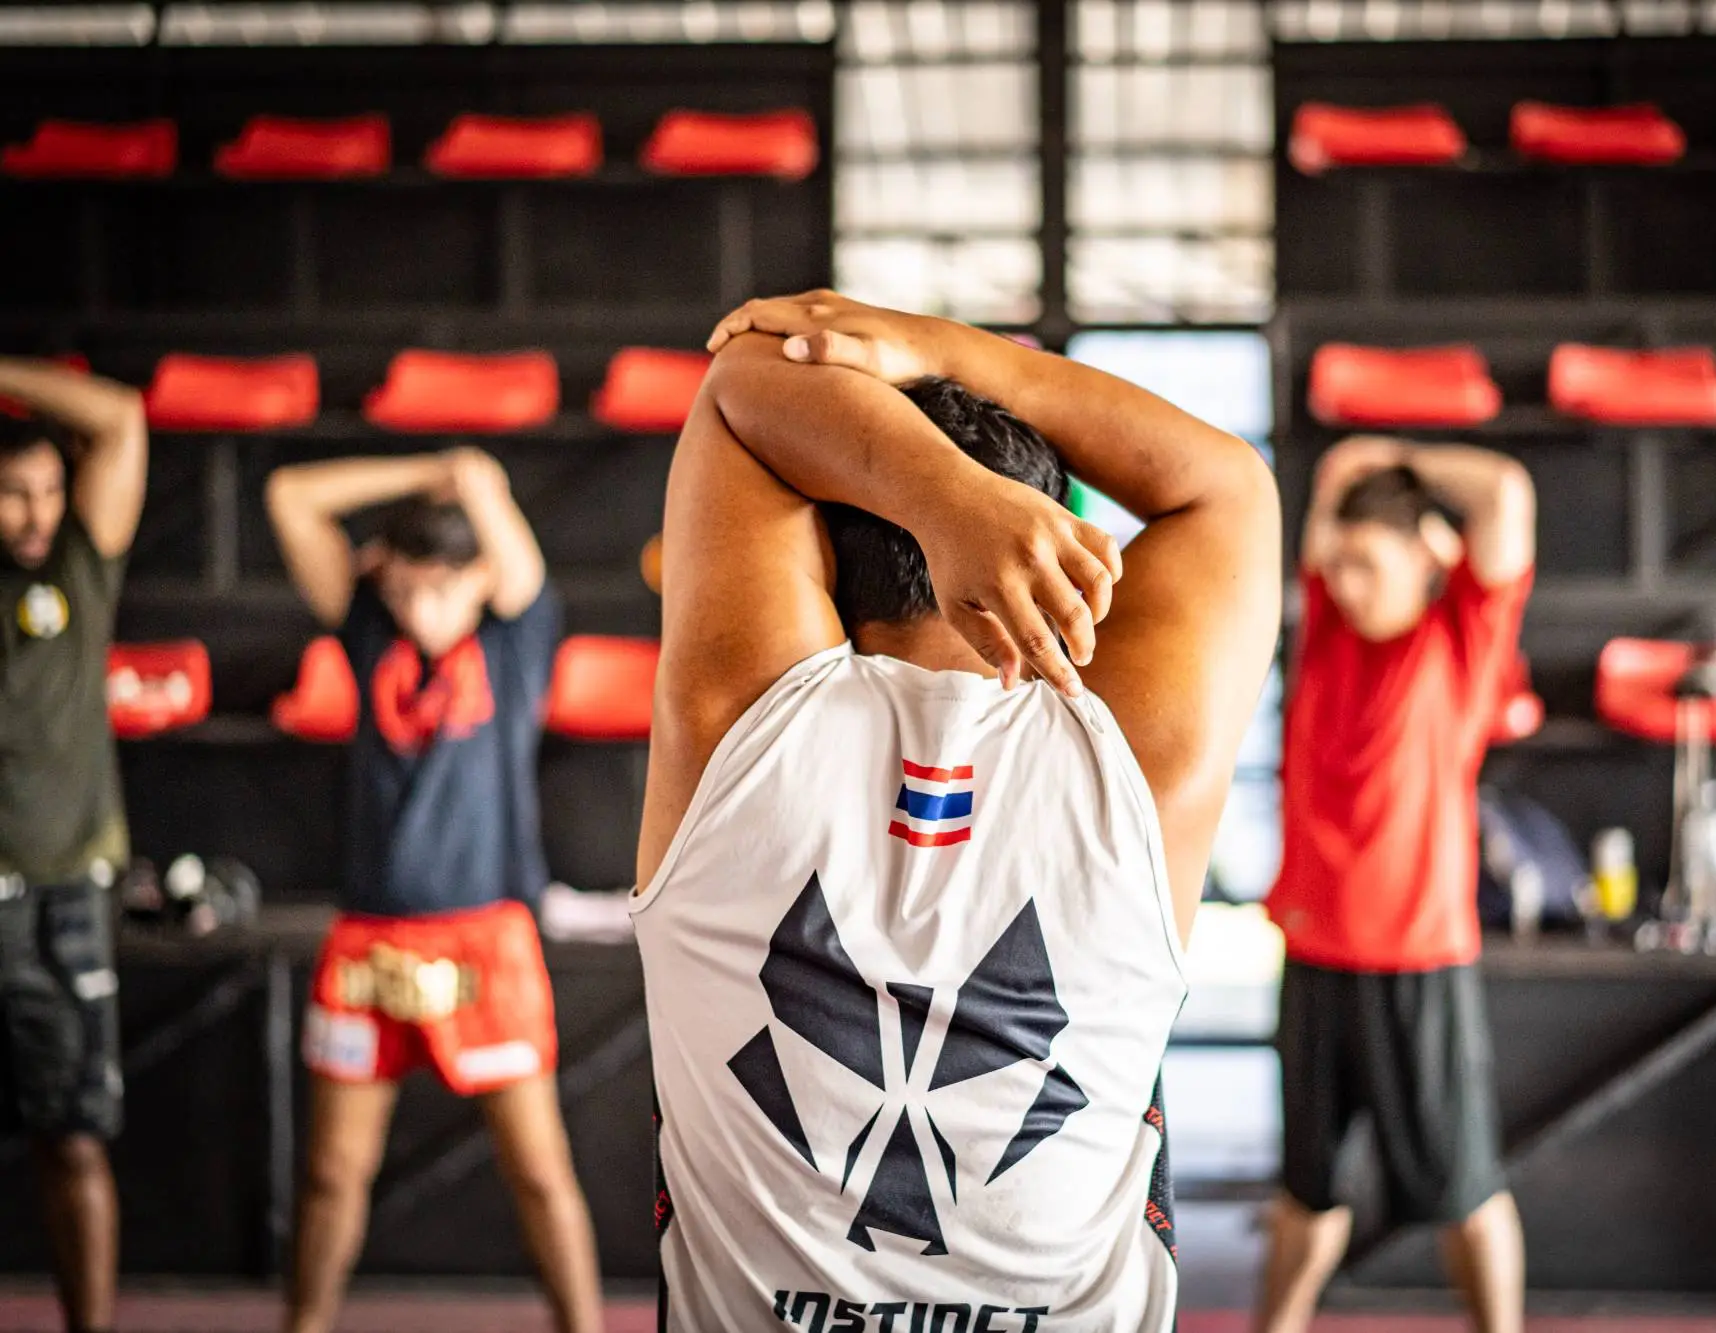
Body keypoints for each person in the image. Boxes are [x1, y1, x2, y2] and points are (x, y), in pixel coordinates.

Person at [631, 291, 1279, 1329]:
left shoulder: (737, 722)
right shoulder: (1133, 757)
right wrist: (945, 361)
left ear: (821, 550)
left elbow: (740, 381)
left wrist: (938, 500)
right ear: (1051, 542)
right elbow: (1227, 486)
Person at [264, 450, 602, 1333]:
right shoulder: (369, 624)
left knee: (537, 1167)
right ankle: (304, 1322)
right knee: (333, 1170)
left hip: (489, 937)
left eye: (440, 590)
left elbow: (491, 497)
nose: (421, 609)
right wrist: (414, 473)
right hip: (370, 936)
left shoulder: (514, 635)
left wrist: (466, 473)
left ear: (479, 579)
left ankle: (584, 1325)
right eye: (405, 588)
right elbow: (290, 493)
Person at [1255, 436, 1537, 1333]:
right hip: (1314, 954)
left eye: (1367, 565)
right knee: (1306, 1198)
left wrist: (1407, 460)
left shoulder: (1460, 639)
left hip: (1418, 961)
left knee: (1467, 1193)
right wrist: (1361, 469)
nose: (1341, 581)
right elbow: (1337, 475)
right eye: (1336, 562)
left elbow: (1504, 487)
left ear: (1424, 557)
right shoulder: (1331, 620)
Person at [0, 360, 148, 1333]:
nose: (37, 511)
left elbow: (120, 416)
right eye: (13, 492)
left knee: (77, 1143)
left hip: (65, 894)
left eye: (50, 488)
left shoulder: (79, 567)